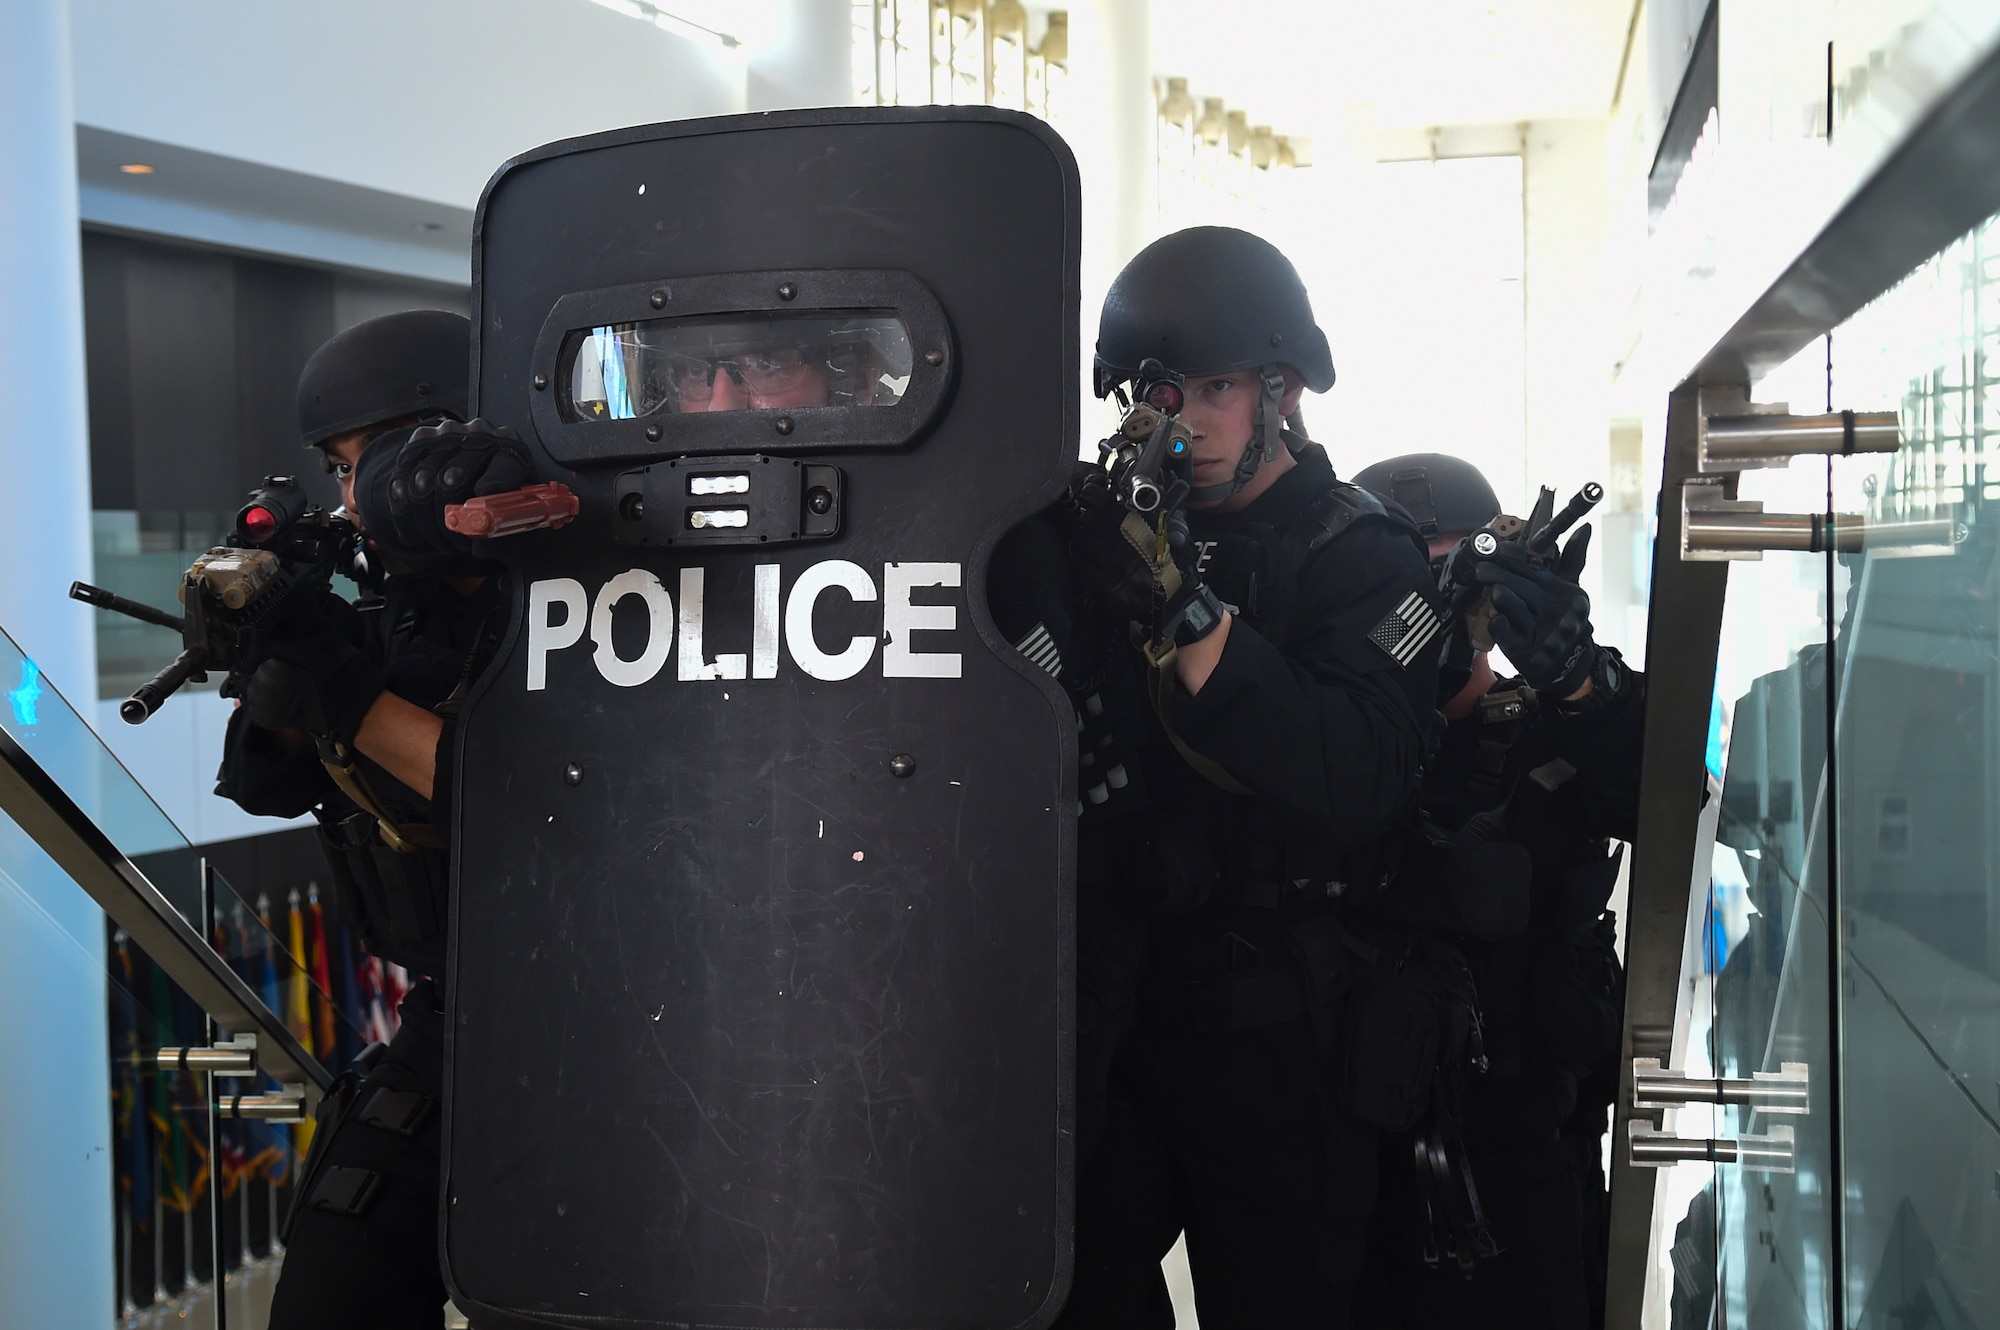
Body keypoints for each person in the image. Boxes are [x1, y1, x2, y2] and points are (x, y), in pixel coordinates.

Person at [1037, 227, 1449, 1328]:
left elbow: (1353, 773)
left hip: (1278, 1038)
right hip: (1118, 1017)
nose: (1182, 420)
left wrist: (1180, 609)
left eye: (1214, 387)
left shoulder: (1358, 553)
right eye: (1156, 391)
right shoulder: (1100, 537)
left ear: (1280, 388)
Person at [216, 309, 529, 1330]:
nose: (358, 492)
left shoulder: (573, 597)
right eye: (340, 466)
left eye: (382, 455)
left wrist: (338, 686)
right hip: (450, 1022)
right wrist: (277, 673)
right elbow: (265, 789)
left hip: (602, 1014)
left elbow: (538, 804)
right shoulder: (386, 609)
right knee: (333, 1281)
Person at [1349, 453, 1641, 1330]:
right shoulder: (1341, 739)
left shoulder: (1556, 713)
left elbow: (1658, 799)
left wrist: (1580, 677)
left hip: (1528, 1138)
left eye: (1457, 584)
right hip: (1362, 1137)